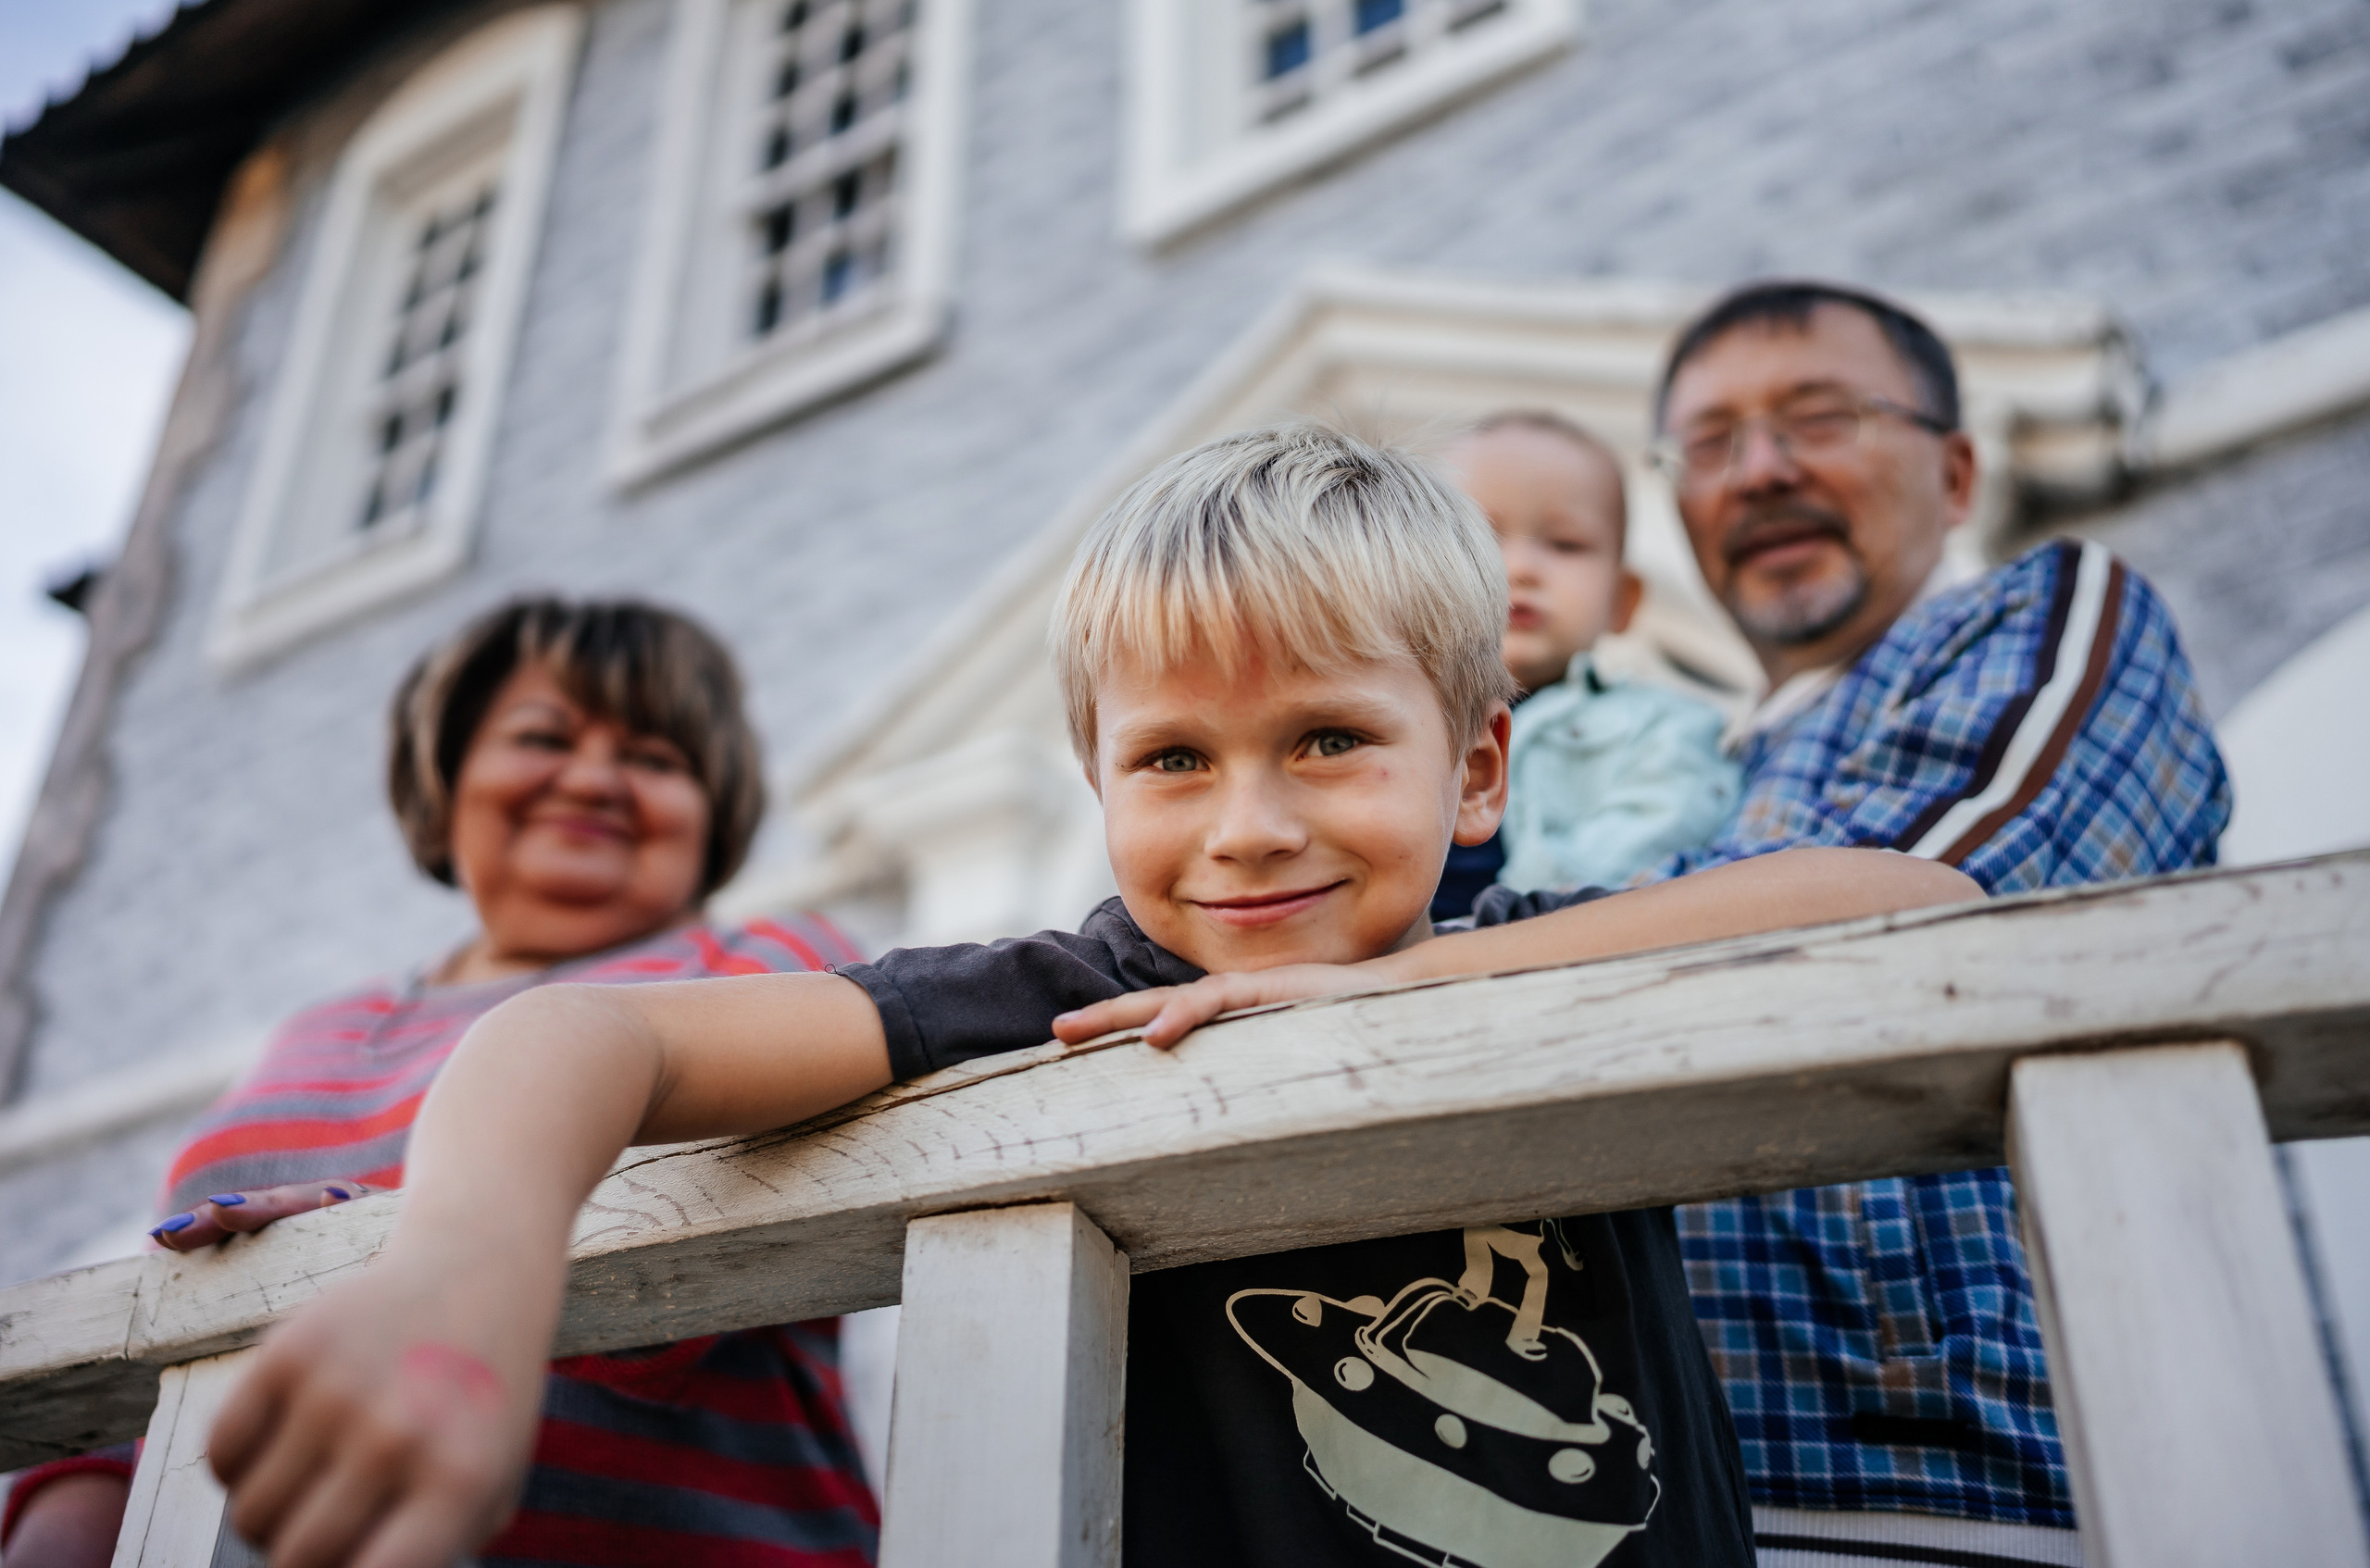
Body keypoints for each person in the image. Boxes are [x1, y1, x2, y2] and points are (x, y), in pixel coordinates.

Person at [186, 424, 1983, 1568]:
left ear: (1480, 769)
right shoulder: (1052, 990)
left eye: (1332, 739)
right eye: (1174, 758)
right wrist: (463, 1265)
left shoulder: (1570, 952)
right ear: (1098, 779)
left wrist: (1427, 988)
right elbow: (596, 1031)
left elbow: (1914, 895)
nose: (1249, 826)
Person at [0, 599, 881, 1568]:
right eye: (543, 737)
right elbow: (162, 1338)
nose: (593, 778)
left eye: (655, 759)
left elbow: (717, 1230)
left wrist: (372, 1245)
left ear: (713, 809)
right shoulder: (311, 1031)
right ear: (447, 778)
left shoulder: (778, 958)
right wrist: (69, 1509)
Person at [1637, 282, 2230, 1566]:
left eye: (1821, 416)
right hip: (1660, 1503)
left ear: (1957, 471)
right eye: (1711, 444)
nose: (1763, 471)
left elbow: (1927, 901)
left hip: (1986, 1504)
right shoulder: (1661, 779)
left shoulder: (2047, 616)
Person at [1441, 412, 1737, 899]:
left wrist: (1522, 904)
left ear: (1623, 601)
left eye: (1566, 544)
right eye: (1480, 538)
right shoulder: (1383, 718)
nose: (1520, 568)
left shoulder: (1662, 729)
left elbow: (1663, 823)